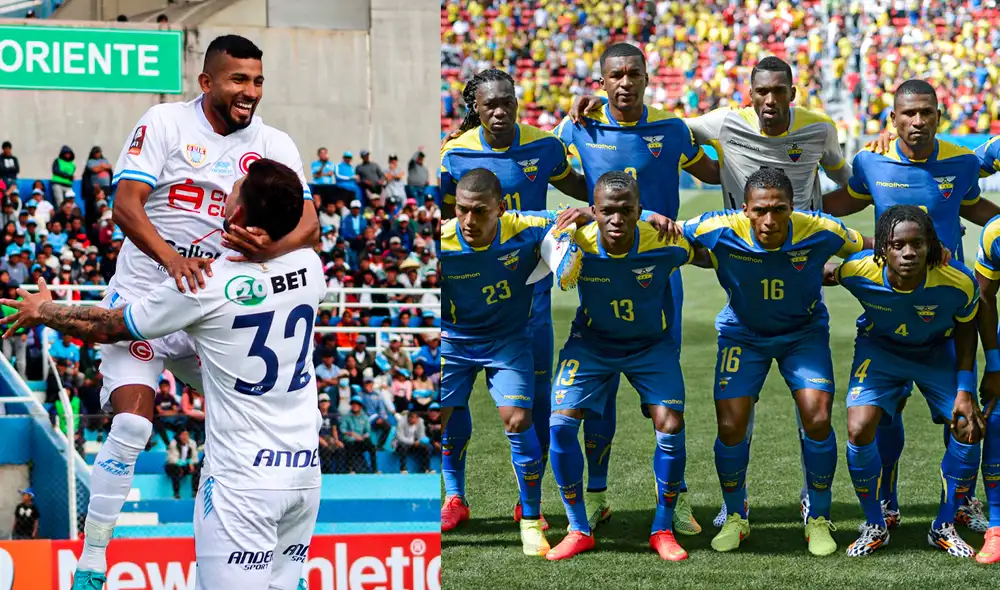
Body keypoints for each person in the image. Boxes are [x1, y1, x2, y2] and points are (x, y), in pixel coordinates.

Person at [63, 33, 318, 587]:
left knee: (260, 409)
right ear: (207, 82)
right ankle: (92, 560)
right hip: (145, 297)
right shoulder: (165, 125)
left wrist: (271, 250)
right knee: (132, 421)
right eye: (238, 80)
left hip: (213, 312)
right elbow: (124, 205)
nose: (250, 91)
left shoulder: (275, 142)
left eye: (256, 80)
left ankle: (282, 559)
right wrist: (171, 257)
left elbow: (310, 224)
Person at [1, 158, 324, 590]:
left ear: (240, 215)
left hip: (243, 484)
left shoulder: (204, 285)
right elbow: (301, 241)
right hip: (305, 475)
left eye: (236, 187)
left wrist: (44, 309)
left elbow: (106, 326)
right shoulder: (310, 268)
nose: (227, 188)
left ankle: (93, 560)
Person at [552, 42, 719, 536]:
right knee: (595, 396)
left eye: (634, 75)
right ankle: (598, 497)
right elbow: (553, 167)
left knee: (663, 403)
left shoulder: (671, 130)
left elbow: (714, 171)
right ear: (601, 82)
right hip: (605, 268)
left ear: (648, 79)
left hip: (659, 275)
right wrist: (591, 209)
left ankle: (676, 500)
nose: (625, 83)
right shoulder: (579, 126)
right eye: (615, 76)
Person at [825, 79, 997, 533]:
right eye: (908, 114)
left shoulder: (961, 163)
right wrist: (788, 211)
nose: (917, 122)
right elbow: (838, 204)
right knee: (886, 414)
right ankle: (887, 502)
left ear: (939, 116)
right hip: (890, 311)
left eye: (926, 113)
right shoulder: (870, 161)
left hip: (947, 308)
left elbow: (975, 207)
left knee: (959, 416)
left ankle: (960, 504)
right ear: (893, 119)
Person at [682, 168, 869, 556]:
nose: (770, 220)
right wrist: (587, 215)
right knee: (731, 424)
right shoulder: (717, 226)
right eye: (761, 210)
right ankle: (736, 515)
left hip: (803, 334)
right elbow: (660, 224)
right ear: (745, 208)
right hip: (742, 334)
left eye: (779, 209)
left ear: (792, 207)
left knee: (817, 417)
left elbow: (870, 245)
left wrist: (927, 245)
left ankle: (817, 516)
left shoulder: (820, 229)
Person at [438, 67, 591, 529]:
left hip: (532, 298)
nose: (501, 111)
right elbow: (448, 217)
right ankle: (454, 497)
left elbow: (580, 188)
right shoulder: (454, 154)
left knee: (533, 403)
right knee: (450, 407)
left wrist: (592, 208)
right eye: (490, 105)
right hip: (470, 301)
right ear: (476, 109)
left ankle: (530, 504)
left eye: (508, 102)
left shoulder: (544, 145)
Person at [545, 171, 701, 562]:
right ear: (593, 211)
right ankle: (578, 527)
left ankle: (663, 527)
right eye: (607, 211)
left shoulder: (664, 240)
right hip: (591, 343)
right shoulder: (574, 238)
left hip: (650, 347)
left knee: (669, 422)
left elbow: (712, 247)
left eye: (627, 211)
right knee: (561, 424)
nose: (616, 220)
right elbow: (521, 224)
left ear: (639, 211)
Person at [824, 205, 984, 558]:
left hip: (936, 351)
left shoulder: (957, 281)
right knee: (859, 427)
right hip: (880, 351)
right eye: (898, 245)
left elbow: (967, 328)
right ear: (883, 248)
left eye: (918, 243)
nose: (908, 252)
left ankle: (943, 526)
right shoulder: (858, 270)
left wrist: (965, 388)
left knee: (968, 427)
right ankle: (875, 523)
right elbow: (826, 273)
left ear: (932, 246)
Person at [969, 213, 1000, 562]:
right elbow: (985, 299)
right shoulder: (996, 233)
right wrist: (994, 365)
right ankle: (997, 527)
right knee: (997, 424)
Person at [164, 429, 201, 499]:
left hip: (186, 465)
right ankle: (176, 493)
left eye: (187, 435)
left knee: (197, 469)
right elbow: (172, 459)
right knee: (175, 469)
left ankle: (195, 492)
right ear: (179, 436)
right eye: (183, 435)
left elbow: (195, 458)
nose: (185, 437)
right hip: (173, 465)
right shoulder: (173, 443)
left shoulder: (192, 443)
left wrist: (191, 463)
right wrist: (181, 463)